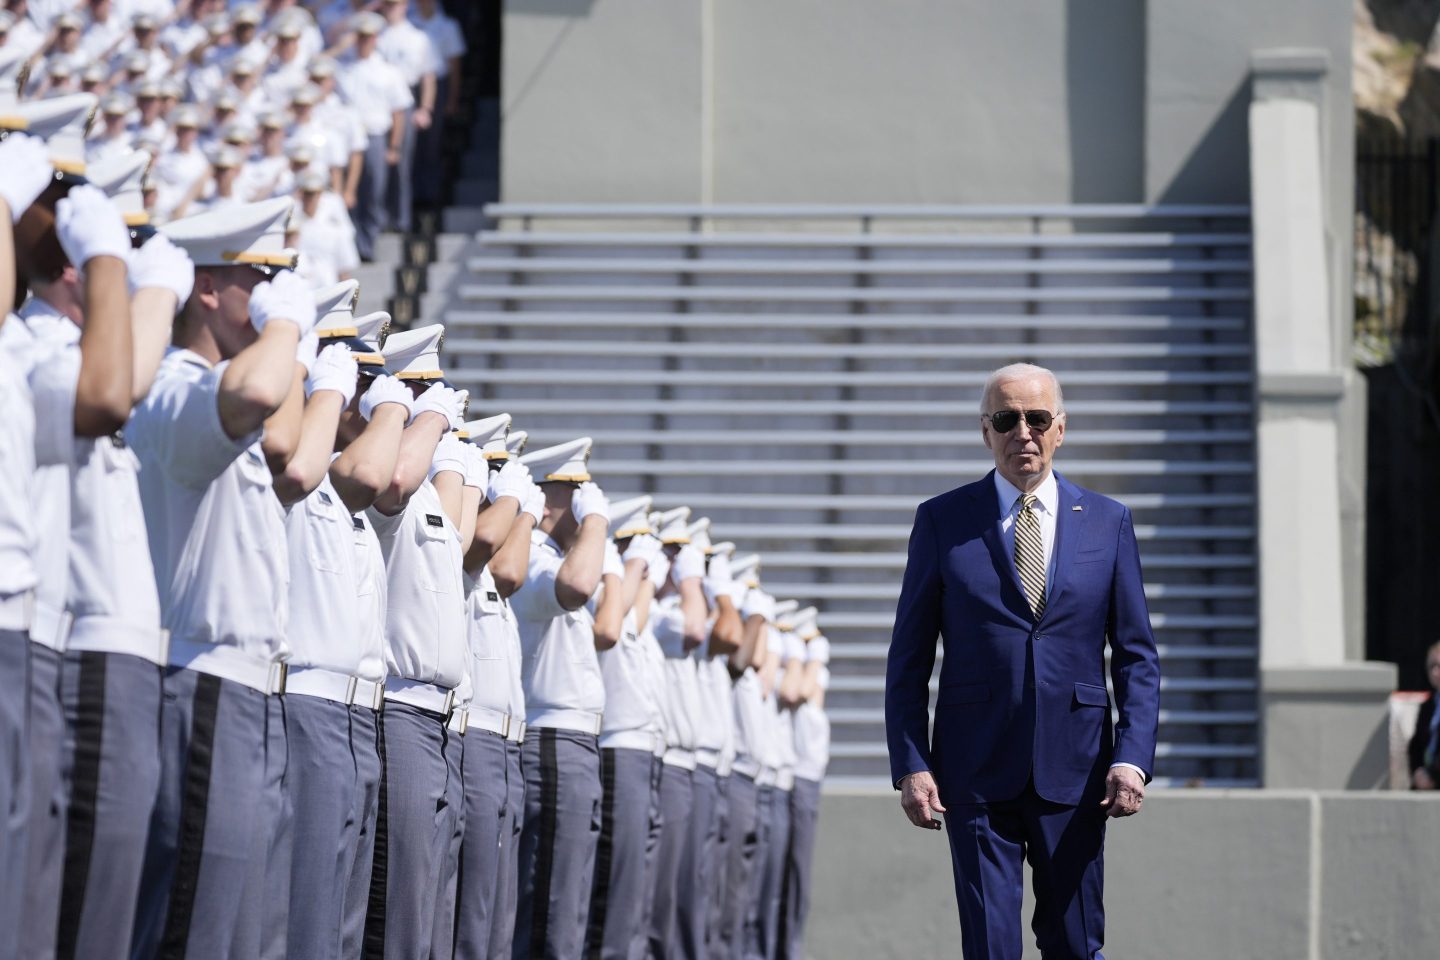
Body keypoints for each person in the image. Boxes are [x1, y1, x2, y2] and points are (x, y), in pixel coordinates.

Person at [885, 362, 1161, 960]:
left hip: (1080, 771)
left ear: (1060, 428)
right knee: (990, 948)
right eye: (1006, 419)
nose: (1023, 433)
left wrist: (1133, 758)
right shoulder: (942, 520)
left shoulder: (1109, 522)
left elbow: (1137, 657)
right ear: (985, 431)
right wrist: (911, 764)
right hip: (974, 773)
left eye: (1037, 419)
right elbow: (908, 657)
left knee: (1075, 944)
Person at [128, 197, 316, 959]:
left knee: (238, 932)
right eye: (260, 275)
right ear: (208, 289)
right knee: (191, 926)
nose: (273, 292)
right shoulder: (178, 389)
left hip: (241, 689)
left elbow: (284, 435)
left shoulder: (214, 397)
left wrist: (285, 335)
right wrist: (287, 328)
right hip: (200, 683)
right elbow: (258, 392)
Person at [509, 436, 611, 960]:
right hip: (548, 740)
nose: (591, 500)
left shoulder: (555, 556)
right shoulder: (534, 559)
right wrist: (595, 526)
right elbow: (574, 588)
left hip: (569, 743)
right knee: (548, 902)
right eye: (580, 491)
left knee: (565, 900)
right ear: (553, 500)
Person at [1407, 642, 1440, 790]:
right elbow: (1416, 745)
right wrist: (1418, 772)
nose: (1435, 672)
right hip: (1424, 785)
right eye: (1431, 666)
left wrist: (1432, 775)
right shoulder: (1427, 705)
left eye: (1439, 666)